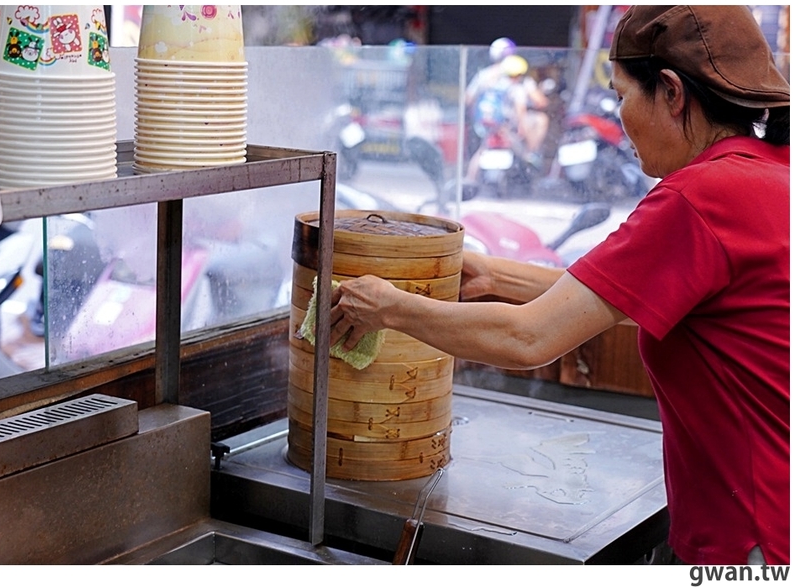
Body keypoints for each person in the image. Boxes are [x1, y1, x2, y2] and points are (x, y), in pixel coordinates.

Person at [328, 5, 789, 566]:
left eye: (621, 96)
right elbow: (624, 297)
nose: (619, 115)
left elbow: (530, 339)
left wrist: (390, 308)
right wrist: (494, 273)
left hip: (753, 545)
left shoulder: (702, 197)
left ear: (671, 92)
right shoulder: (767, 173)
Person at [464, 53, 550, 182]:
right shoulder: (518, 87)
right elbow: (523, 108)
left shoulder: (487, 79)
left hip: (485, 124)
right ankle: (530, 154)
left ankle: (469, 179)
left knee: (482, 149)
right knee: (540, 120)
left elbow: (468, 99)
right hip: (507, 126)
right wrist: (522, 128)